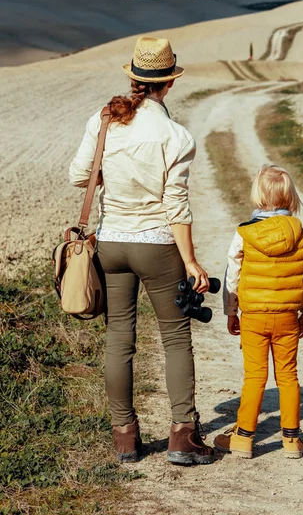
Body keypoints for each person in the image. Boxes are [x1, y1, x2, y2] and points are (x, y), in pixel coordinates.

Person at [69, 36, 215, 466]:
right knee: (175, 337)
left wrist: (117, 176)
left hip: (111, 243)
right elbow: (177, 206)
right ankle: (182, 437)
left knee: (118, 339)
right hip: (156, 246)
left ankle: (125, 439)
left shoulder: (105, 120)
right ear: (168, 83)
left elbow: (80, 176)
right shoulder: (176, 134)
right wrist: (190, 261)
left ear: (134, 77)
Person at [214, 165, 303, 459]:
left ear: (258, 196)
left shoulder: (245, 234)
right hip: (287, 317)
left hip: (254, 317)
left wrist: (230, 311)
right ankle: (292, 441)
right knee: (288, 375)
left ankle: (244, 439)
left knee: (254, 377)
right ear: (290, 197)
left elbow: (233, 274)